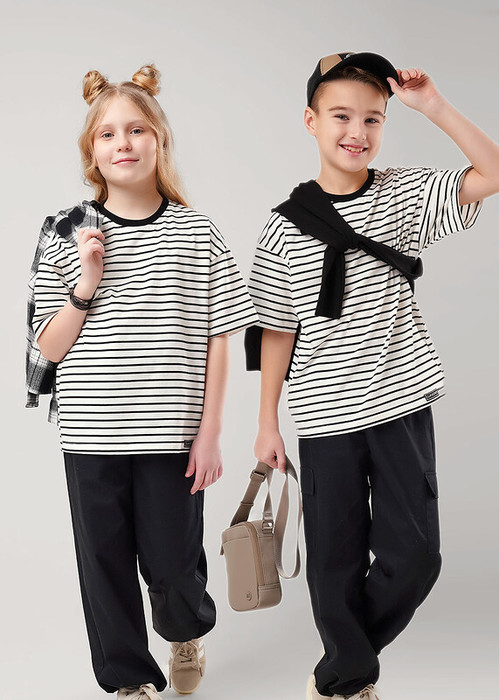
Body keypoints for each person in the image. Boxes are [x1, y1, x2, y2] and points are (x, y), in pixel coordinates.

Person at [245, 52, 499, 699]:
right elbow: (275, 330)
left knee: (416, 559)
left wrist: (433, 105)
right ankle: (352, 683)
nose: (356, 131)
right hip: (323, 418)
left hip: (399, 405)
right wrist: (266, 422)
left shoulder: (402, 195)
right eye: (340, 116)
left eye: (372, 119)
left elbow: (493, 172)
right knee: (333, 564)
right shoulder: (281, 228)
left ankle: (338, 670)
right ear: (310, 121)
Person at [26, 64, 259, 699]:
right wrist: (86, 281)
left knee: (174, 564)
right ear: (91, 151)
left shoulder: (197, 231)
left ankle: (186, 633)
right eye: (107, 134)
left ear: (160, 140)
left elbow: (220, 338)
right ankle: (129, 680)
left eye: (136, 130)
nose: (122, 143)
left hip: (172, 435)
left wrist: (209, 435)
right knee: (103, 567)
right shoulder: (65, 231)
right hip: (91, 434)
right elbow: (47, 348)